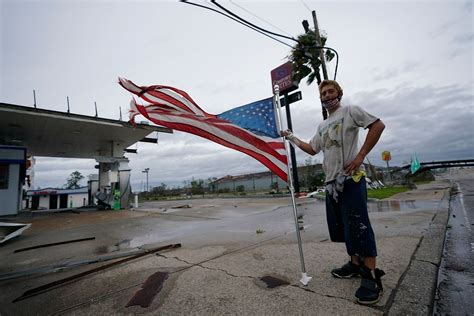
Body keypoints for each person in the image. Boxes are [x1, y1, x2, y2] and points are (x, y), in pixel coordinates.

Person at [282, 79, 386, 305]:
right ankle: (354, 264)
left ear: (339, 93)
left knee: (359, 226)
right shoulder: (322, 125)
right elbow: (311, 149)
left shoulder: (350, 111)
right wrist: (290, 137)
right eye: (323, 94)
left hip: (351, 179)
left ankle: (370, 277)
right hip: (332, 184)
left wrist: (359, 157)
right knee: (343, 228)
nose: (327, 96)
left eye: (331, 92)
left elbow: (377, 126)